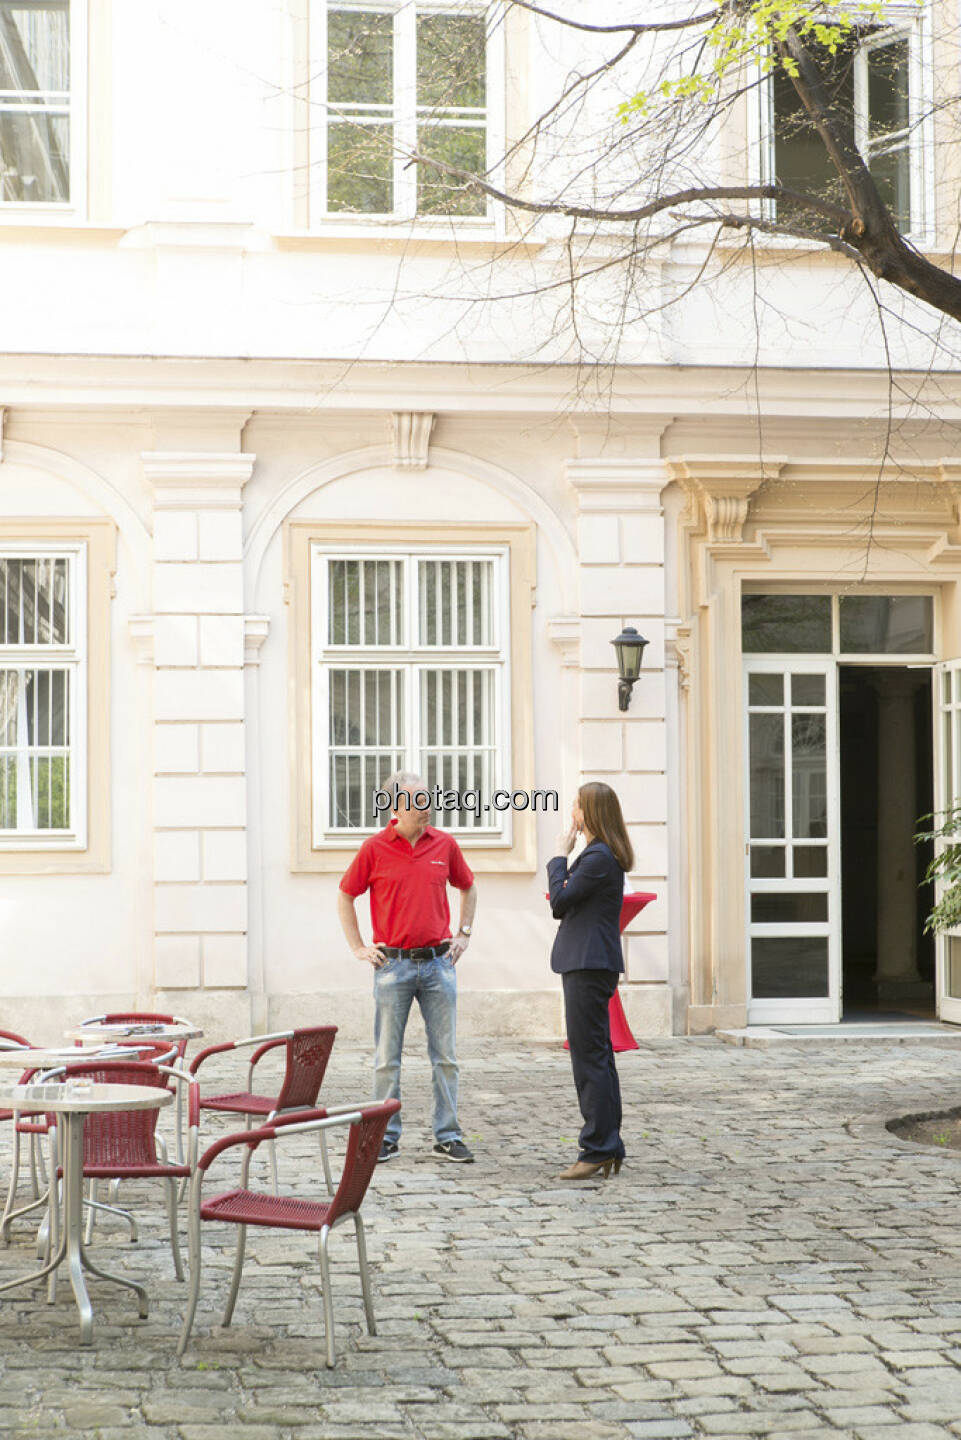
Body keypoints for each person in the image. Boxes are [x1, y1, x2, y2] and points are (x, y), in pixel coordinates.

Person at [338, 772, 478, 1163]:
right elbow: (346, 895)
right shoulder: (374, 848)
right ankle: (384, 1136)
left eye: (429, 798)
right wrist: (358, 947)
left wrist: (464, 933)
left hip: (438, 965)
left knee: (445, 1057)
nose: (428, 805)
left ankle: (447, 1135)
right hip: (393, 967)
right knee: (387, 1058)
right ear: (396, 807)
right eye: (419, 800)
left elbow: (468, 886)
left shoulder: (445, 845)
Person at [547, 781, 634, 1181]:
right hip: (590, 963)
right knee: (598, 1055)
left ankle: (597, 1147)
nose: (572, 814)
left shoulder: (597, 857)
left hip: (588, 964)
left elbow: (560, 902)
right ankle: (608, 1145)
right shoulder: (600, 854)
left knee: (589, 1058)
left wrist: (558, 857)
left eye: (577, 808)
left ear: (592, 813)